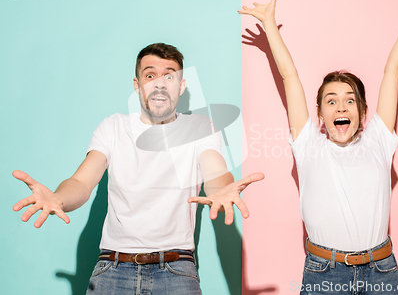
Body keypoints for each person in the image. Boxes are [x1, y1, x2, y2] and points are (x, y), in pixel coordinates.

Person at [12, 43, 264, 295]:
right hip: (113, 268)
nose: (160, 83)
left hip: (176, 270)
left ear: (181, 86)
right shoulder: (113, 127)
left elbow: (215, 172)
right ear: (137, 85)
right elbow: (81, 181)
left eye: (169, 75)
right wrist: (59, 198)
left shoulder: (200, 127)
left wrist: (221, 189)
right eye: (150, 75)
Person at [238, 0, 398, 294]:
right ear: (319, 113)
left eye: (349, 101)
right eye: (331, 101)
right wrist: (268, 23)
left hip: (381, 271)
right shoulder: (308, 146)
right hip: (324, 273)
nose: (341, 107)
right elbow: (290, 77)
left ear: (363, 111)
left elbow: (392, 71)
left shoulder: (378, 141)